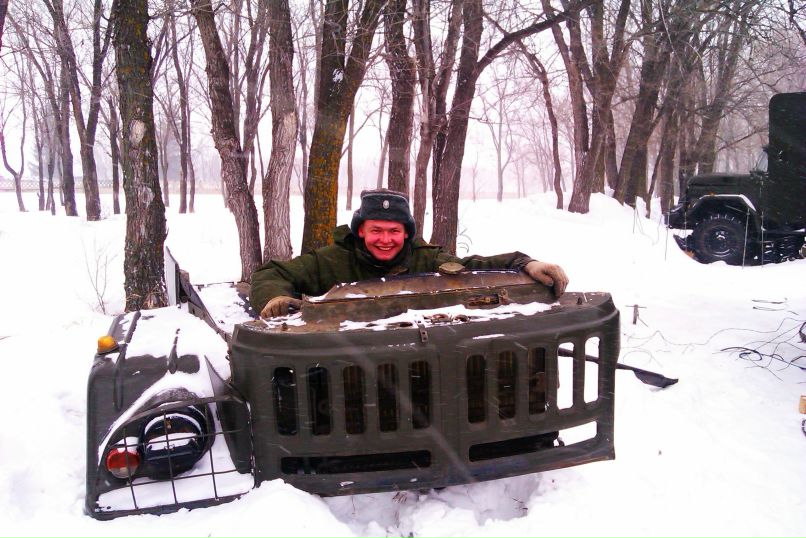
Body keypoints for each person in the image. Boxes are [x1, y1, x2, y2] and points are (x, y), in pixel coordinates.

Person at [250, 189, 569, 318]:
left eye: (394, 231)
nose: (385, 239)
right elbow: (271, 274)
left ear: (406, 233)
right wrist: (274, 299)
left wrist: (526, 263)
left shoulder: (425, 259)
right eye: (376, 230)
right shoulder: (331, 260)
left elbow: (476, 267)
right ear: (361, 230)